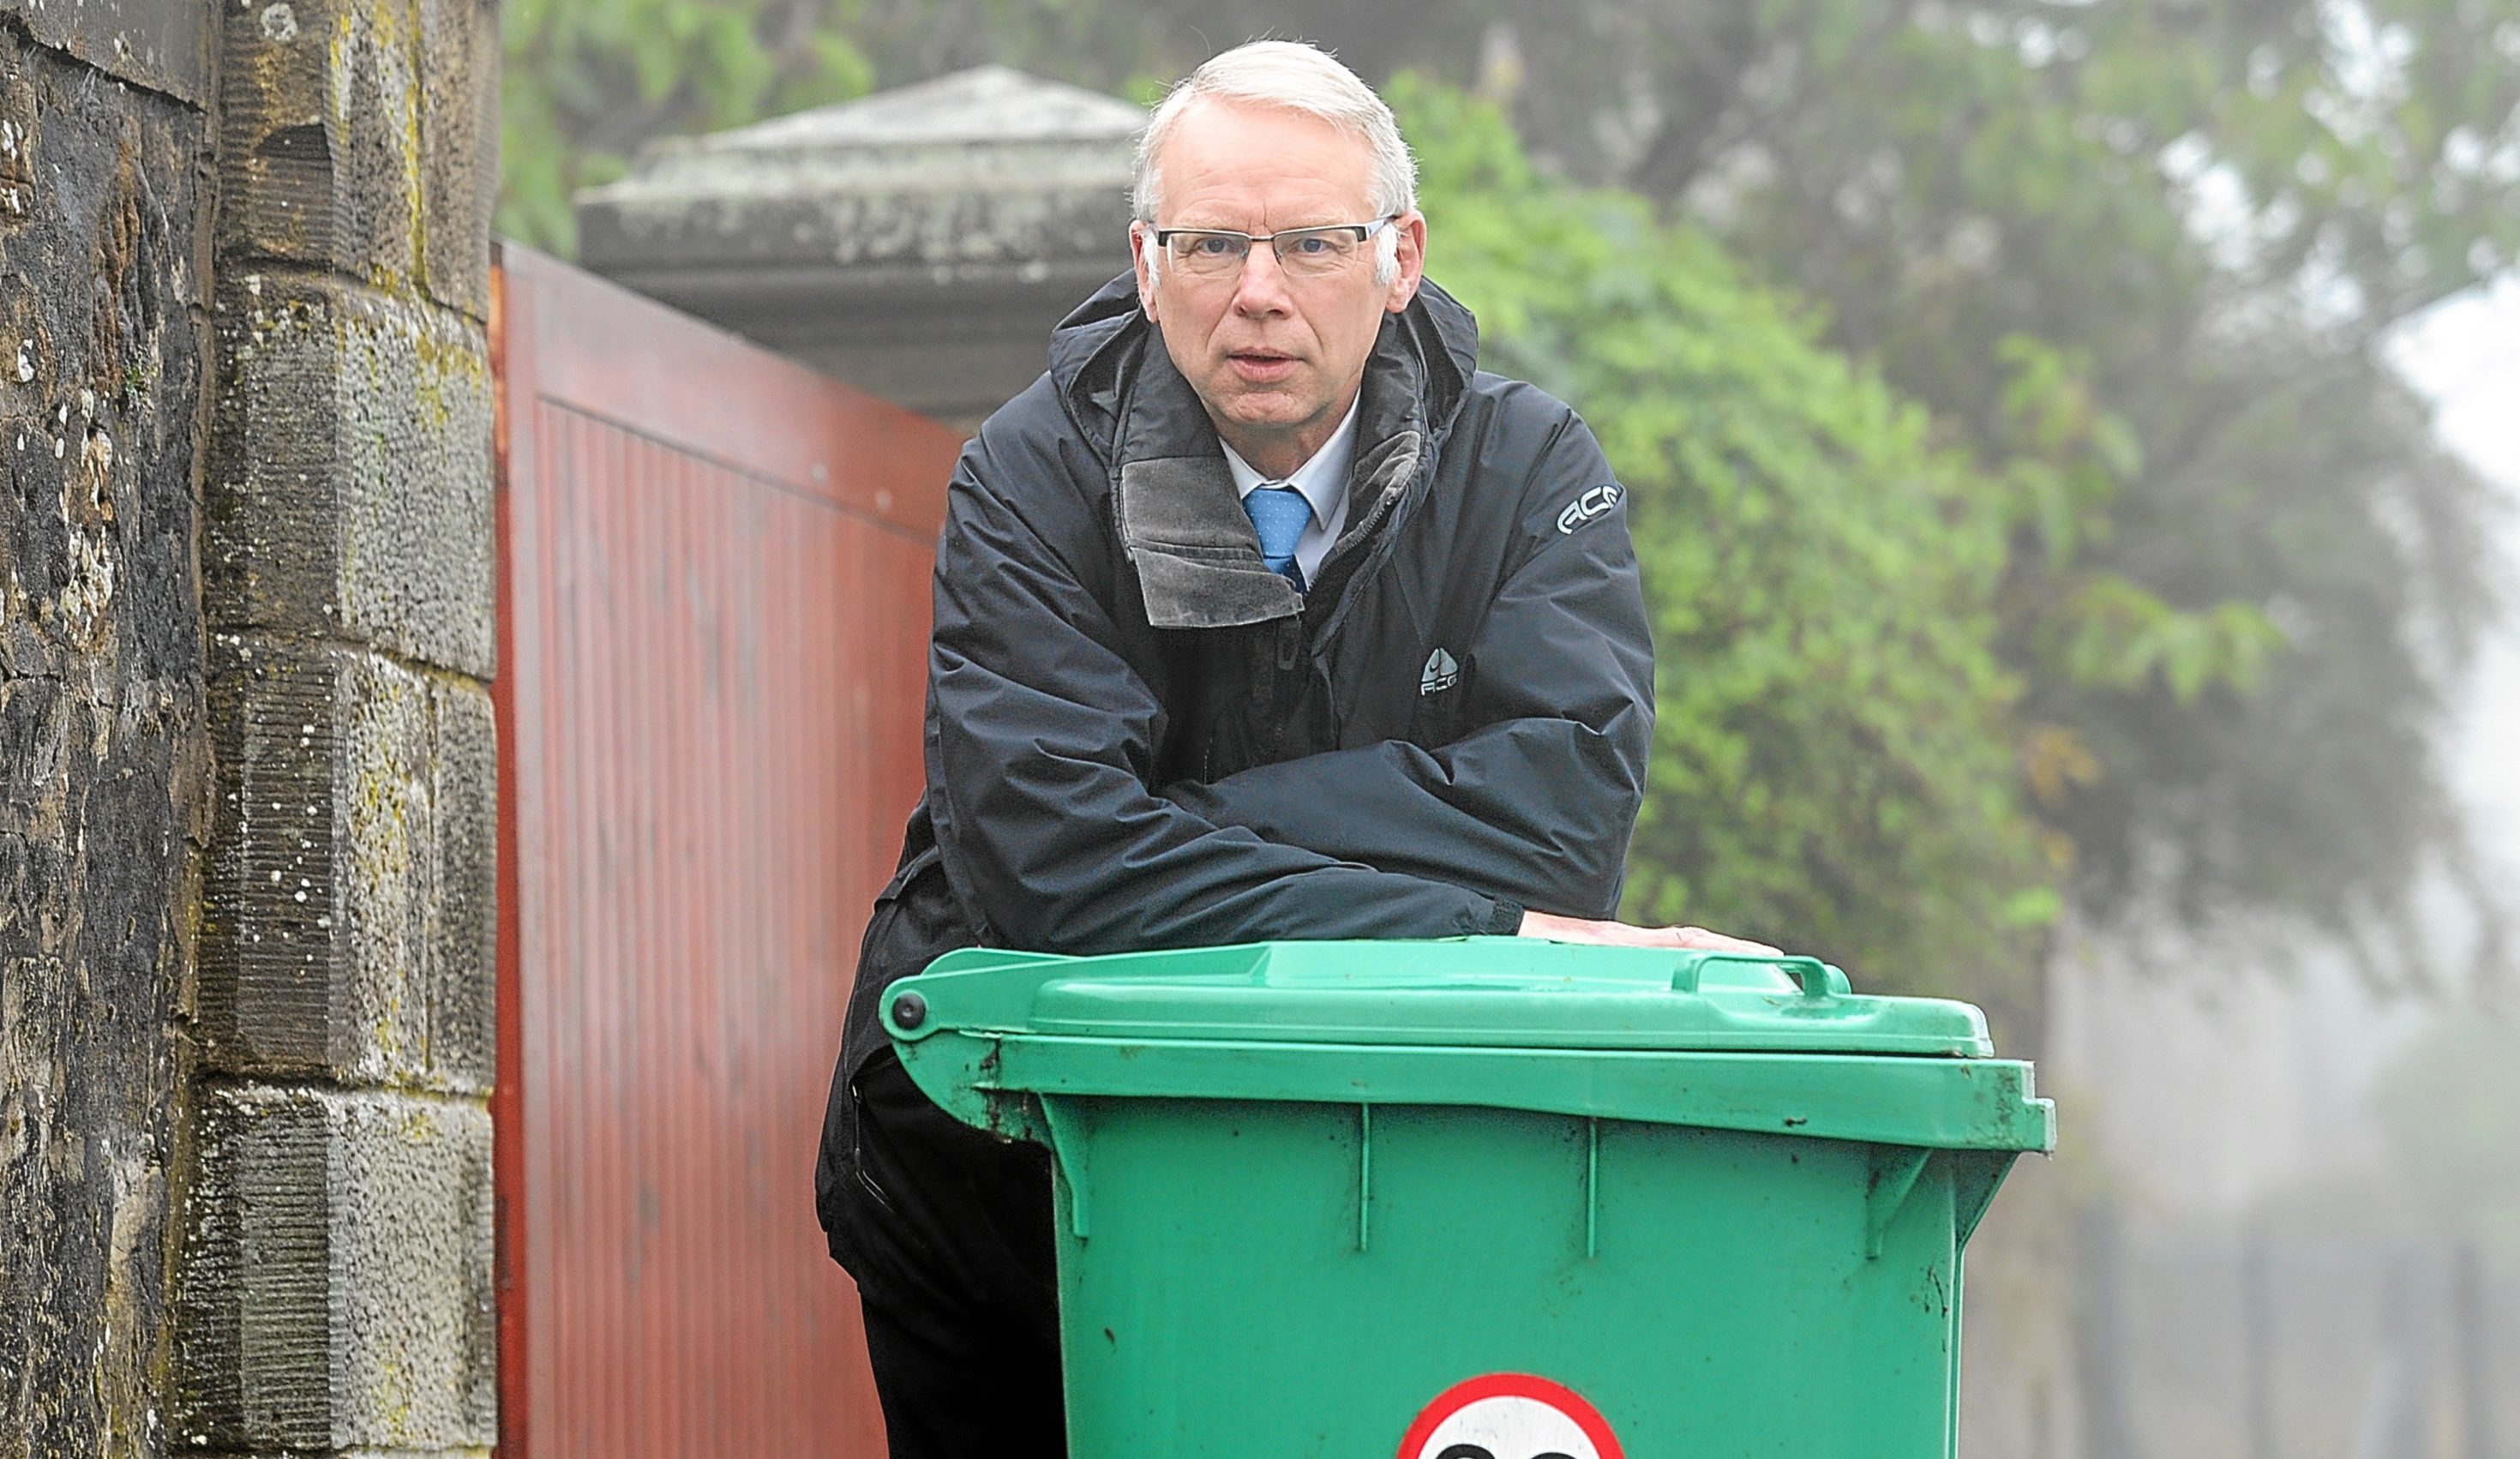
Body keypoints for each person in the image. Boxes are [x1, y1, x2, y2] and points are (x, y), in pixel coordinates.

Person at [814, 39, 1775, 1457]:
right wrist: (1487, 925)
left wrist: (1177, 818)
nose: (1259, 291)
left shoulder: (1528, 471)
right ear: (1146, 264)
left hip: (1398, 1190)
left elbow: (1562, 825)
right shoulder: (1030, 474)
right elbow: (1055, 874)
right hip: (1009, 1192)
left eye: (1313, 242)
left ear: (1400, 256)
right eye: (1213, 244)